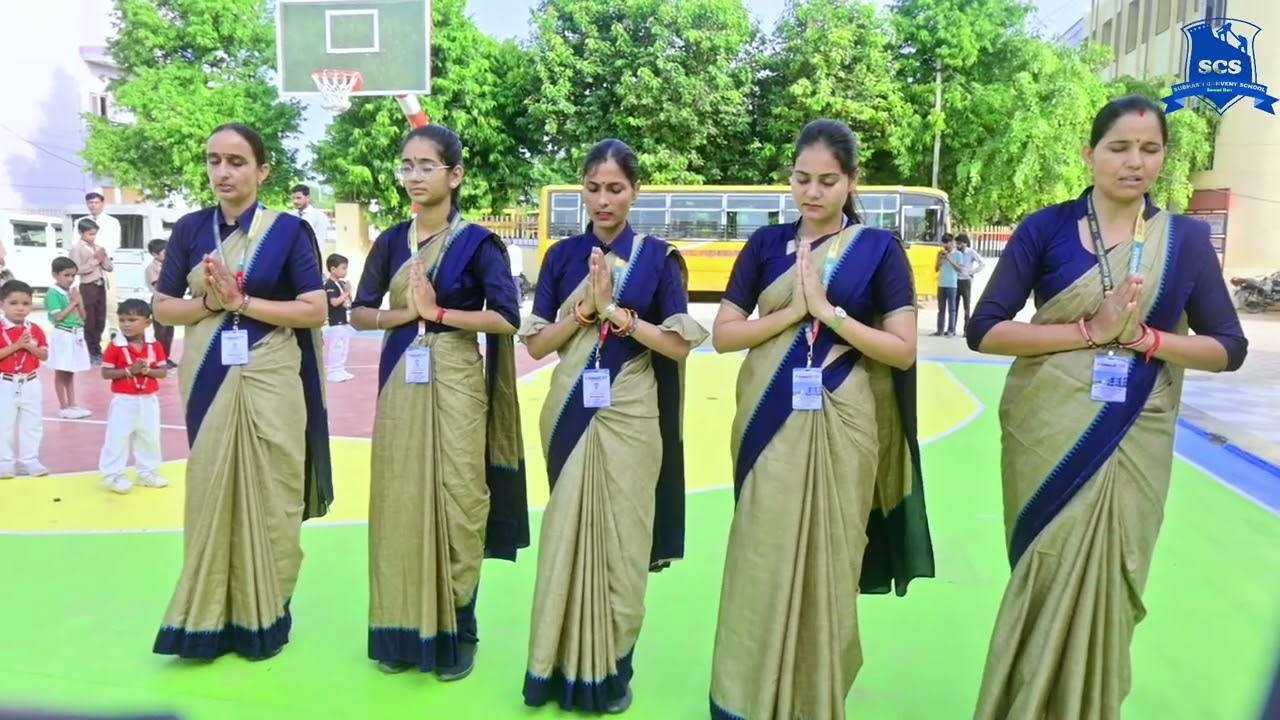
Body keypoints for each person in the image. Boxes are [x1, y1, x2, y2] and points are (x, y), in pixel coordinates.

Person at [966, 95, 1249, 719]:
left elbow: (1229, 347)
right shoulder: (1045, 228)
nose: (1134, 162)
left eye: (1149, 150)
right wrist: (1089, 332)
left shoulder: (1186, 242)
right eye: (1119, 147)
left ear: (1163, 159)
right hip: (1049, 430)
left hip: (1136, 434)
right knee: (1045, 568)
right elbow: (984, 329)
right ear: (1089, 153)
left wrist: (1147, 339)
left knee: (1113, 583)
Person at [707, 119, 934, 720]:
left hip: (846, 422)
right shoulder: (764, 246)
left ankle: (813, 698)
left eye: (827, 181)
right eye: (802, 179)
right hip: (768, 419)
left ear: (852, 182)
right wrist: (791, 314)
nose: (812, 192)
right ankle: (743, 699)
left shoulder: (880, 251)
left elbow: (902, 349)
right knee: (760, 555)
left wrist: (827, 312)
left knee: (831, 560)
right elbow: (724, 336)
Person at [519, 138, 707, 715]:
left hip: (630, 415)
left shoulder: (658, 258)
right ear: (583, 189)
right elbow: (535, 346)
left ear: (635, 192)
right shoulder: (561, 258)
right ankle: (552, 668)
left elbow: (679, 346)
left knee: (623, 547)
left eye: (615, 189)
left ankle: (611, 671)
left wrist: (618, 315)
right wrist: (583, 311)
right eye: (594, 188)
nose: (603, 200)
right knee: (566, 540)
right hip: (570, 413)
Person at [150, 122, 334, 661]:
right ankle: (205, 621)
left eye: (235, 161)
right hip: (208, 373)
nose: (223, 172)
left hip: (273, 376)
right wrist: (210, 304)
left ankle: (264, 616)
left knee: (273, 496)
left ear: (262, 170)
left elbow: (314, 308)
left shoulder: (290, 232)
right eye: (214, 161)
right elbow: (163, 307)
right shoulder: (189, 229)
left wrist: (242, 303)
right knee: (211, 492)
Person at [351, 124, 528, 679]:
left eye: (427, 165)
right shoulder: (388, 241)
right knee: (401, 499)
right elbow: (358, 311)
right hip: (400, 380)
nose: (414, 176)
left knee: (460, 498)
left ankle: (460, 629)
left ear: (455, 175)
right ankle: (402, 633)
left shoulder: (478, 243)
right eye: (407, 165)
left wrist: (441, 315)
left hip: (455, 377)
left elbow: (505, 318)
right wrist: (407, 314)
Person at [98, 298, 169, 494]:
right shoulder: (115, 346)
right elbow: (106, 373)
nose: (126, 324)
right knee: (117, 438)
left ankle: (147, 472)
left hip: (148, 399)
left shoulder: (155, 346)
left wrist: (147, 371)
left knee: (150, 436)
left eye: (132, 319)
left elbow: (162, 372)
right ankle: (112, 475)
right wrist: (129, 371)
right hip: (124, 400)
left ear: (147, 322)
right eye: (122, 320)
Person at [0, 280, 49, 479]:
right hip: (5, 382)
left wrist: (29, 347)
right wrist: (18, 345)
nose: (20, 308)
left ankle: (30, 460)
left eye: (25, 303)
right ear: (2, 303)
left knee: (33, 422)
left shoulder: (35, 329)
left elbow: (44, 355)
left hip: (30, 381)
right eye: (14, 303)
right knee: (4, 423)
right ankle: (4, 461)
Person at [46, 257, 92, 419]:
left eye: (73, 276)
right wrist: (73, 303)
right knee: (61, 370)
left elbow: (83, 317)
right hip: (63, 334)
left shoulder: (72, 292)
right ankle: (63, 406)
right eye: (66, 275)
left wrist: (79, 302)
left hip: (76, 333)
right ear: (55, 275)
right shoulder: (53, 293)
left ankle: (73, 404)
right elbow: (58, 317)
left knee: (70, 371)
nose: (71, 279)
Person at [68, 218, 112, 364]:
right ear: (81, 233)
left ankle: (97, 348)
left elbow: (109, 267)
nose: (93, 237)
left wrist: (104, 258)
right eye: (90, 234)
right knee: (90, 320)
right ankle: (90, 351)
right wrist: (94, 261)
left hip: (100, 285)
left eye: (94, 234)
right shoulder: (77, 249)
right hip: (88, 286)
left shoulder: (98, 247)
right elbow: (76, 269)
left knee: (100, 319)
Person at [323, 253, 354, 382]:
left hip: (345, 319)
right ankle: (332, 371)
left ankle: (340, 369)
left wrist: (348, 295)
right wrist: (346, 292)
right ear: (333, 269)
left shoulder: (341, 284)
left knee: (344, 346)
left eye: (346, 268)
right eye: (343, 268)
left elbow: (347, 300)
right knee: (336, 346)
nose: (345, 271)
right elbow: (334, 302)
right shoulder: (330, 285)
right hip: (336, 321)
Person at [146, 239, 177, 368]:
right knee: (161, 332)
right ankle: (159, 359)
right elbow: (159, 285)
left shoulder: (170, 265)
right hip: (160, 300)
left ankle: (166, 356)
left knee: (169, 331)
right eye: (165, 252)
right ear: (155, 254)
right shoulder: (152, 268)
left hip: (171, 300)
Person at [954, 233, 985, 333]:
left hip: (966, 280)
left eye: (960, 243)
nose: (958, 246)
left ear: (965, 243)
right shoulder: (956, 252)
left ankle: (966, 330)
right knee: (954, 306)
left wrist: (971, 272)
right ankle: (952, 329)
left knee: (966, 306)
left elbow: (982, 264)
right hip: (956, 279)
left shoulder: (971, 252)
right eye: (957, 243)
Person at [933, 233, 962, 337]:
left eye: (946, 243)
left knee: (952, 309)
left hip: (952, 284)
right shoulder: (940, 253)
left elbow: (960, 269)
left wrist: (949, 259)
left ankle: (951, 330)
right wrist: (940, 260)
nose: (945, 245)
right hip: (941, 283)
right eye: (943, 243)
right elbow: (936, 269)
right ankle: (940, 330)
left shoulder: (958, 254)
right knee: (941, 308)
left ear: (951, 243)